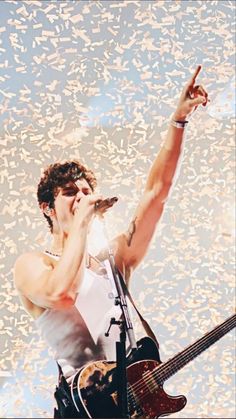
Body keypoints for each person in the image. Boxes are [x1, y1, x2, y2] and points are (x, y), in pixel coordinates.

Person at [13, 66, 208, 418]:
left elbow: (156, 195)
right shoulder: (33, 264)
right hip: (82, 408)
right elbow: (62, 294)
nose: (82, 198)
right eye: (69, 193)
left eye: (87, 192)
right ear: (47, 207)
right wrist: (83, 225)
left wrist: (177, 123)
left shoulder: (112, 261)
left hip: (132, 405)